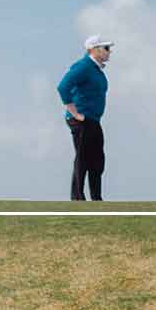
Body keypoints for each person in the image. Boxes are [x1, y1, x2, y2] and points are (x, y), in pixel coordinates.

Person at [57, 35, 112, 201]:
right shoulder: (84, 66)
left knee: (97, 160)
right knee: (83, 158)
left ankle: (96, 198)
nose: (109, 52)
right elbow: (63, 87)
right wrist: (74, 113)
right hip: (81, 120)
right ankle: (77, 197)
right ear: (94, 50)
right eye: (106, 48)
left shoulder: (97, 70)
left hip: (93, 120)